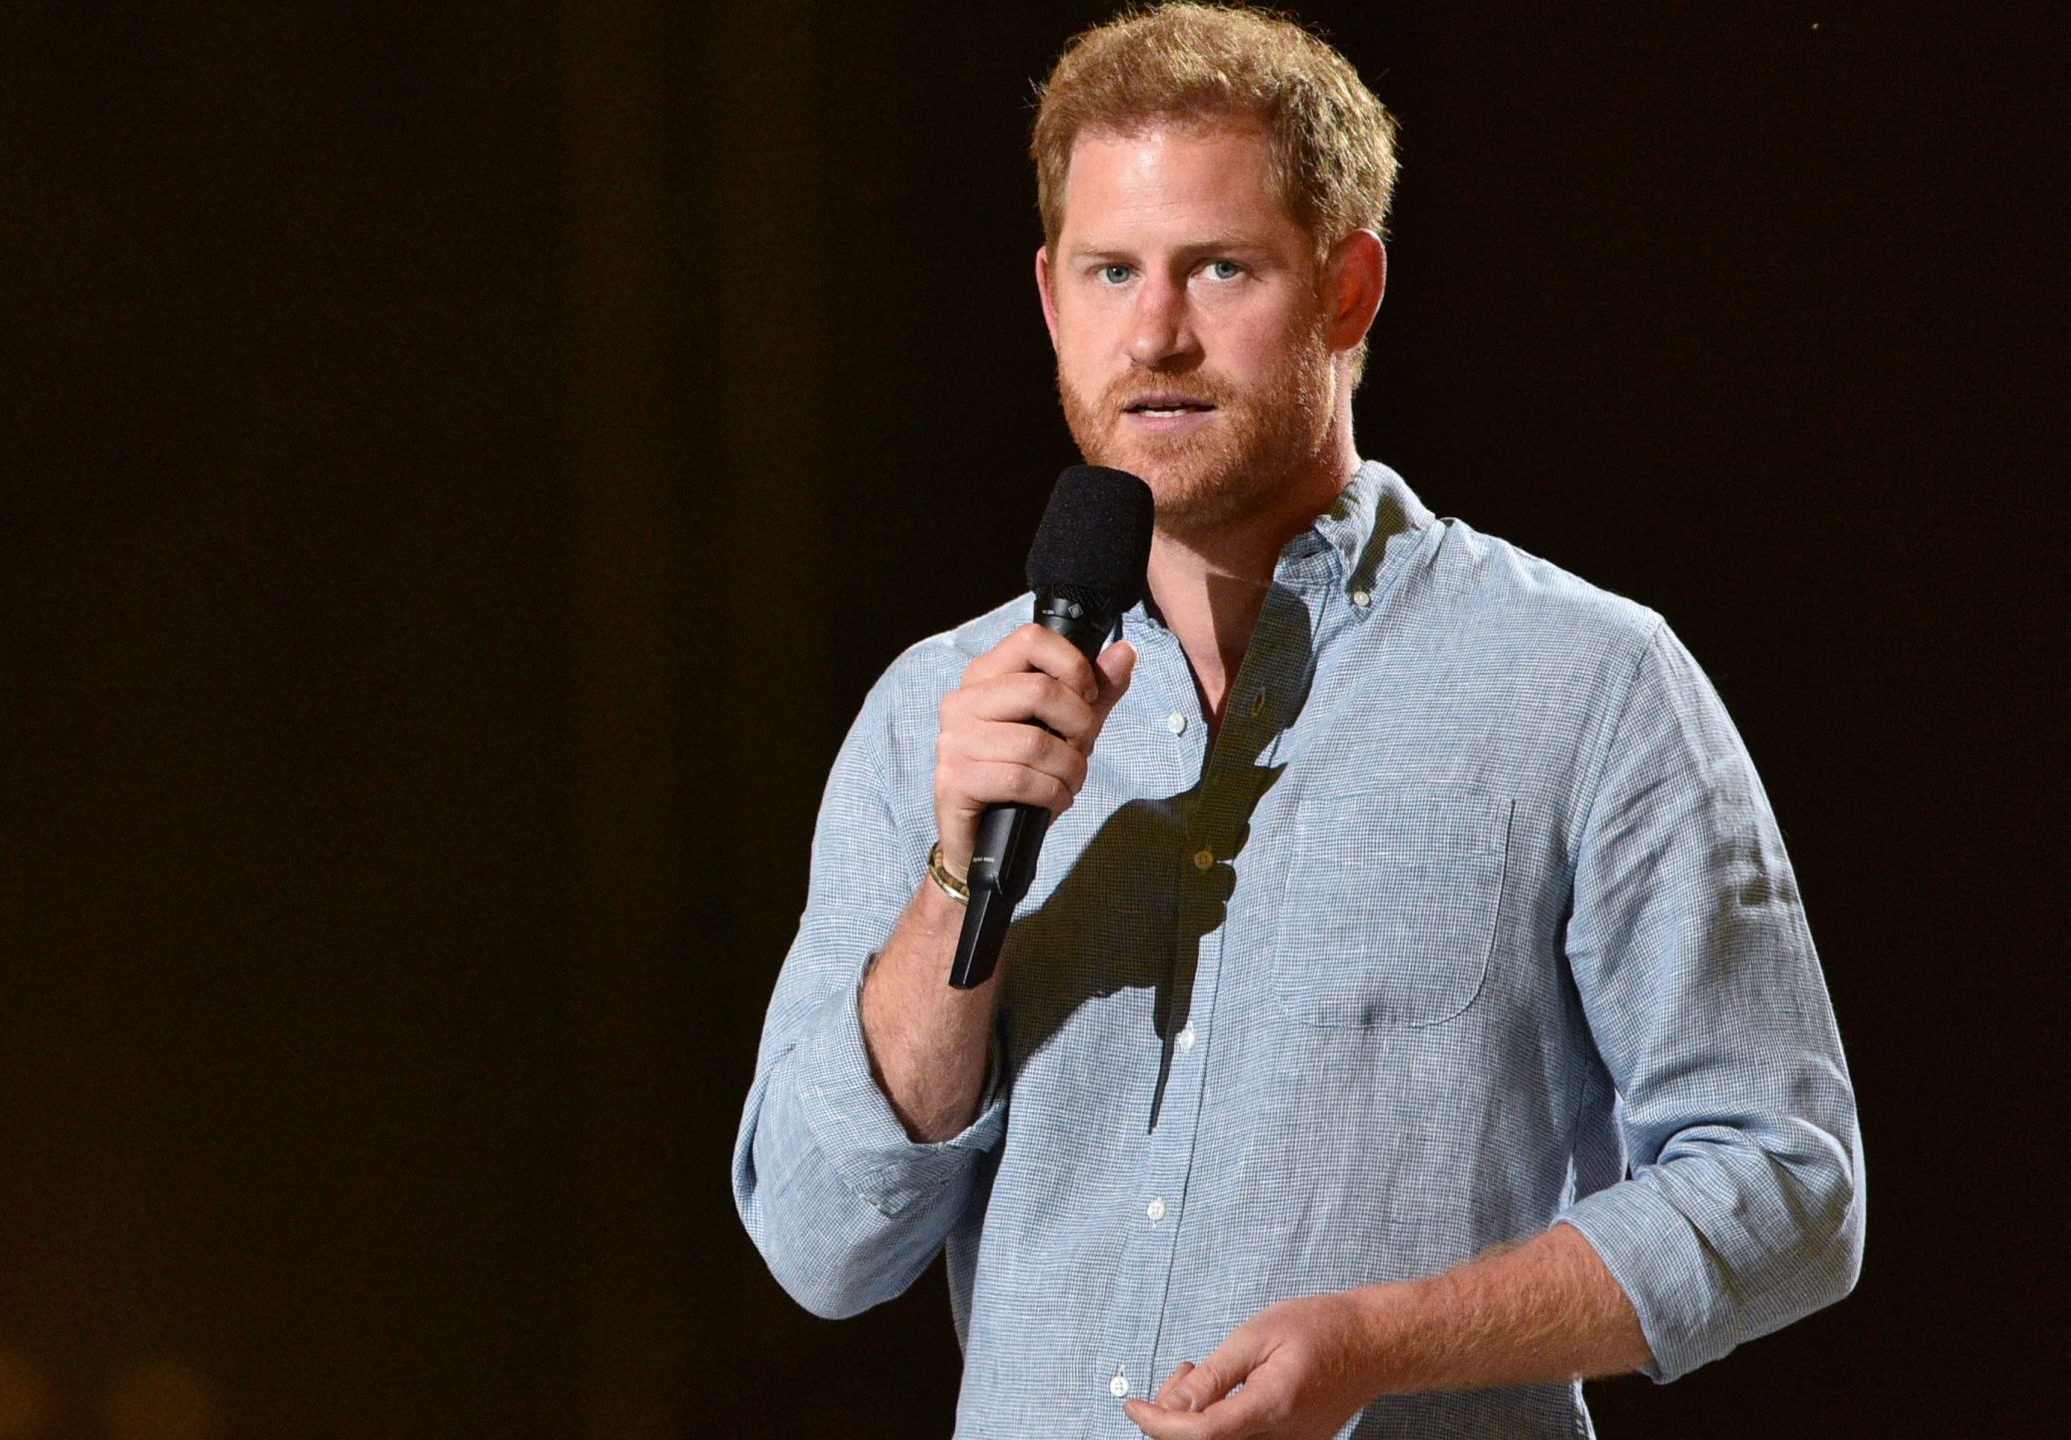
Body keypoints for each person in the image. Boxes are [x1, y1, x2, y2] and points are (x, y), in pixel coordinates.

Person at [729, 5, 1864, 1438]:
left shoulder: (1585, 685)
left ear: (1349, 287)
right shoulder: (937, 720)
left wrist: (1380, 1341)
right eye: (1111, 272)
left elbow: (1786, 1185)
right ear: (1050, 301)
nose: (1156, 332)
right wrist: (961, 872)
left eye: (1220, 268)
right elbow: (824, 1247)